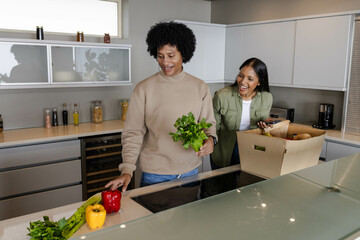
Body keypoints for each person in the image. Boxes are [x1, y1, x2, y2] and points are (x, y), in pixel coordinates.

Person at [105, 21, 217, 192]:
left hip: (191, 172)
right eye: (160, 56)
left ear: (183, 54)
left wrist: (210, 140)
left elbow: (209, 125)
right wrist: (127, 169)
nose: (165, 62)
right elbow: (133, 133)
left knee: (188, 220)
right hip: (154, 175)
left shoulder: (200, 87)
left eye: (171, 55)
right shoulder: (144, 88)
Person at [211, 57, 273, 169]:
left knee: (247, 184)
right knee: (222, 185)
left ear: (259, 81)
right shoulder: (221, 96)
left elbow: (265, 125)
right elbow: (212, 127)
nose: (242, 81)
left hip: (251, 150)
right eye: (241, 75)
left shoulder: (267, 98)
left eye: (250, 79)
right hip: (224, 150)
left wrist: (266, 126)